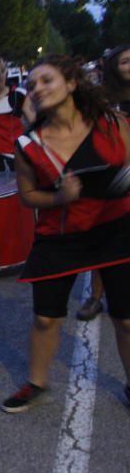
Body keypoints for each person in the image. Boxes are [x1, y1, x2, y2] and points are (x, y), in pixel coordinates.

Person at [1, 55, 130, 412]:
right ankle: (36, 382)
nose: (37, 89)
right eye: (32, 85)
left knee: (127, 319)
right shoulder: (29, 143)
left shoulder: (110, 122)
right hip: (61, 235)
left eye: (46, 81)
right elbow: (27, 197)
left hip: (117, 227)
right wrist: (59, 197)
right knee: (45, 318)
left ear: (72, 84)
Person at [77, 45, 130, 322]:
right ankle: (97, 295)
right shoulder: (105, 99)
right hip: (114, 173)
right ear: (113, 67)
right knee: (106, 238)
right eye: (124, 62)